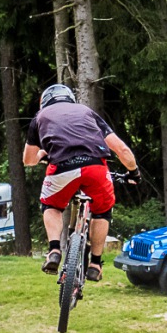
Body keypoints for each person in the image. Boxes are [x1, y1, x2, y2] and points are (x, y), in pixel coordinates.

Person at [23, 84, 139, 282]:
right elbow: (122, 149)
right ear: (70, 99)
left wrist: (43, 154)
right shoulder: (87, 112)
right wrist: (133, 172)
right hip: (95, 167)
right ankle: (95, 263)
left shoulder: (40, 117)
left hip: (61, 168)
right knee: (102, 210)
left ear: (45, 102)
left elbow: (28, 160)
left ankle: (54, 251)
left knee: (51, 205)